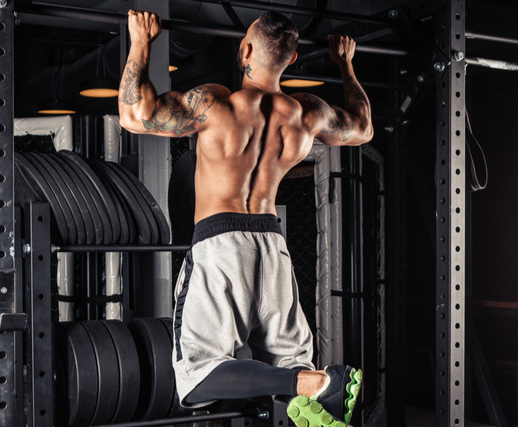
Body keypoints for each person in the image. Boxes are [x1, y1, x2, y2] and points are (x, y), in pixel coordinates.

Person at [118, 9, 373, 427]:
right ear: (291, 61)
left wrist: (141, 40)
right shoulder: (305, 114)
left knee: (196, 376)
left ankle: (315, 385)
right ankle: (313, 386)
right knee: (293, 369)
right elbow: (362, 127)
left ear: (246, 50)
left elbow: (134, 115)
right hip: (273, 247)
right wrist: (345, 65)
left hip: (221, 244)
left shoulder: (218, 104)